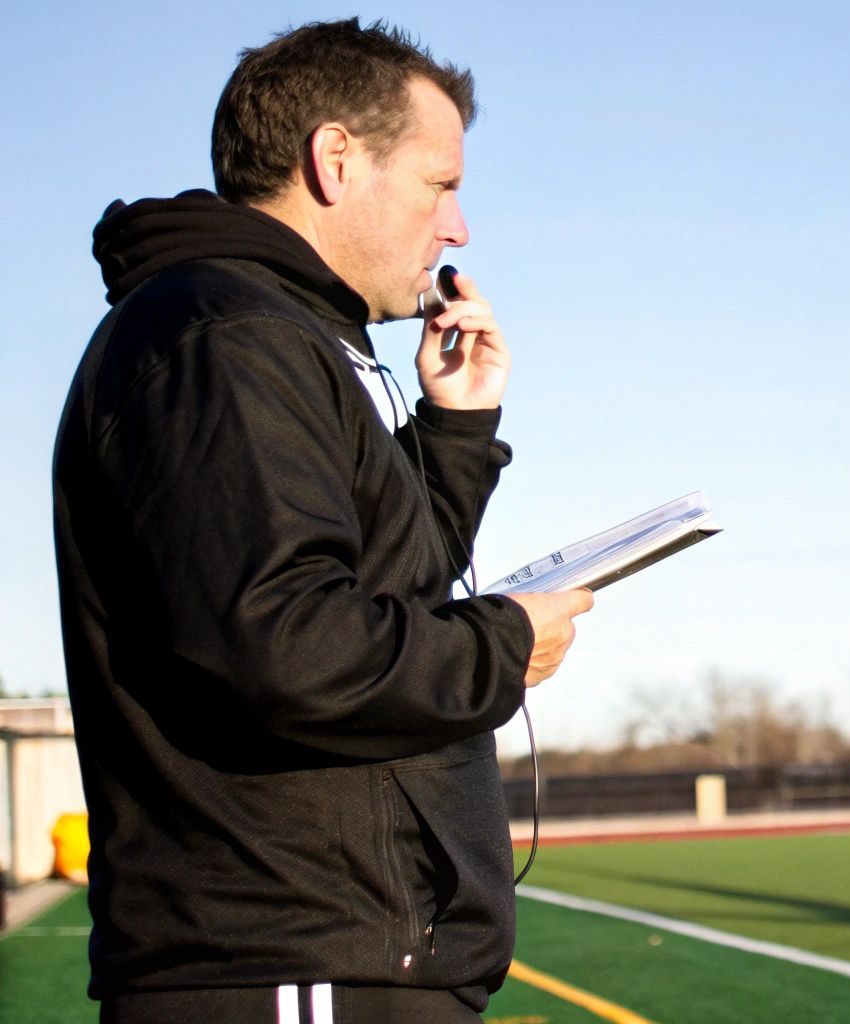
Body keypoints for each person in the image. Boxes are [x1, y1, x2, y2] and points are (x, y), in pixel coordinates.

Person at [52, 19, 595, 1023]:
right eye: (439, 184)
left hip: (335, 959)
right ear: (335, 159)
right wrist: (501, 646)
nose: (458, 228)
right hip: (288, 960)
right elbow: (285, 644)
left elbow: (387, 586)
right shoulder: (226, 334)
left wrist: (456, 431)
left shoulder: (291, 333)